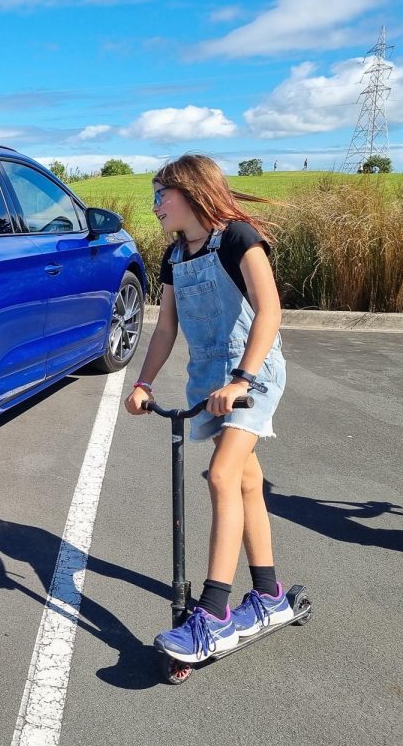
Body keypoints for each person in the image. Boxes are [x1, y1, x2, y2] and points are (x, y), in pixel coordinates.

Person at [125, 155, 292, 663]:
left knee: (221, 476)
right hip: (208, 382)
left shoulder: (239, 237)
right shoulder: (174, 257)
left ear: (192, 192)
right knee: (244, 482)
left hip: (253, 374)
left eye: (161, 196)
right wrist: (144, 383)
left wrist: (242, 377)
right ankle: (270, 594)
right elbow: (166, 328)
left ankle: (214, 614)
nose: (155, 206)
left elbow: (270, 309)